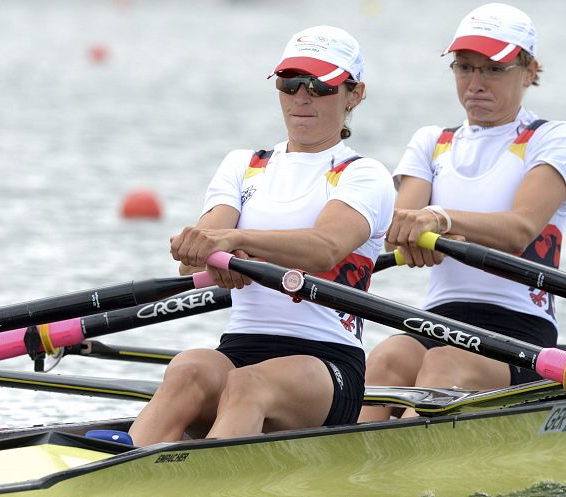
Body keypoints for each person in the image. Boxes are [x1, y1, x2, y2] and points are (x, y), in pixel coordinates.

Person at [128, 25, 395, 445]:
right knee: (188, 368)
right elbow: (194, 258)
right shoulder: (244, 165)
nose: (302, 96)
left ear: (354, 94)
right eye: (290, 84)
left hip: (326, 363)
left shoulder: (364, 174)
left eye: (320, 85)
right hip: (241, 347)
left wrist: (234, 243)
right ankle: (108, 472)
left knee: (248, 385)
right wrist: (210, 247)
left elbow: (325, 248)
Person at [359, 2, 566, 422]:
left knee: (444, 365)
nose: (476, 83)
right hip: (440, 320)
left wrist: (440, 221)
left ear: (530, 70)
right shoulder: (432, 141)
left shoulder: (552, 138)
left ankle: (399, 472)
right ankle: (344, 474)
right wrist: (421, 230)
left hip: (519, 333)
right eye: (465, 67)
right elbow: (397, 229)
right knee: (385, 359)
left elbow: (520, 229)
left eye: (493, 69)